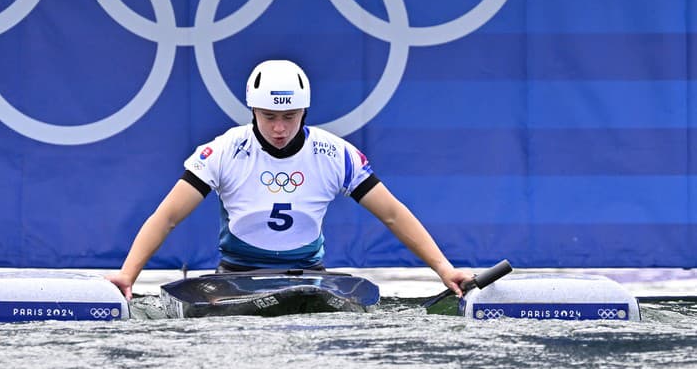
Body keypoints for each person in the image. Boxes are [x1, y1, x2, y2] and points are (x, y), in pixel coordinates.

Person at [107, 60, 471, 299]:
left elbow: (392, 213)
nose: (279, 128)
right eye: (268, 116)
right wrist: (128, 275)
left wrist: (444, 269)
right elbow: (167, 216)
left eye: (290, 116)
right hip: (235, 277)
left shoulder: (336, 155)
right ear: (252, 109)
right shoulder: (222, 151)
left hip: (309, 279)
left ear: (305, 111)